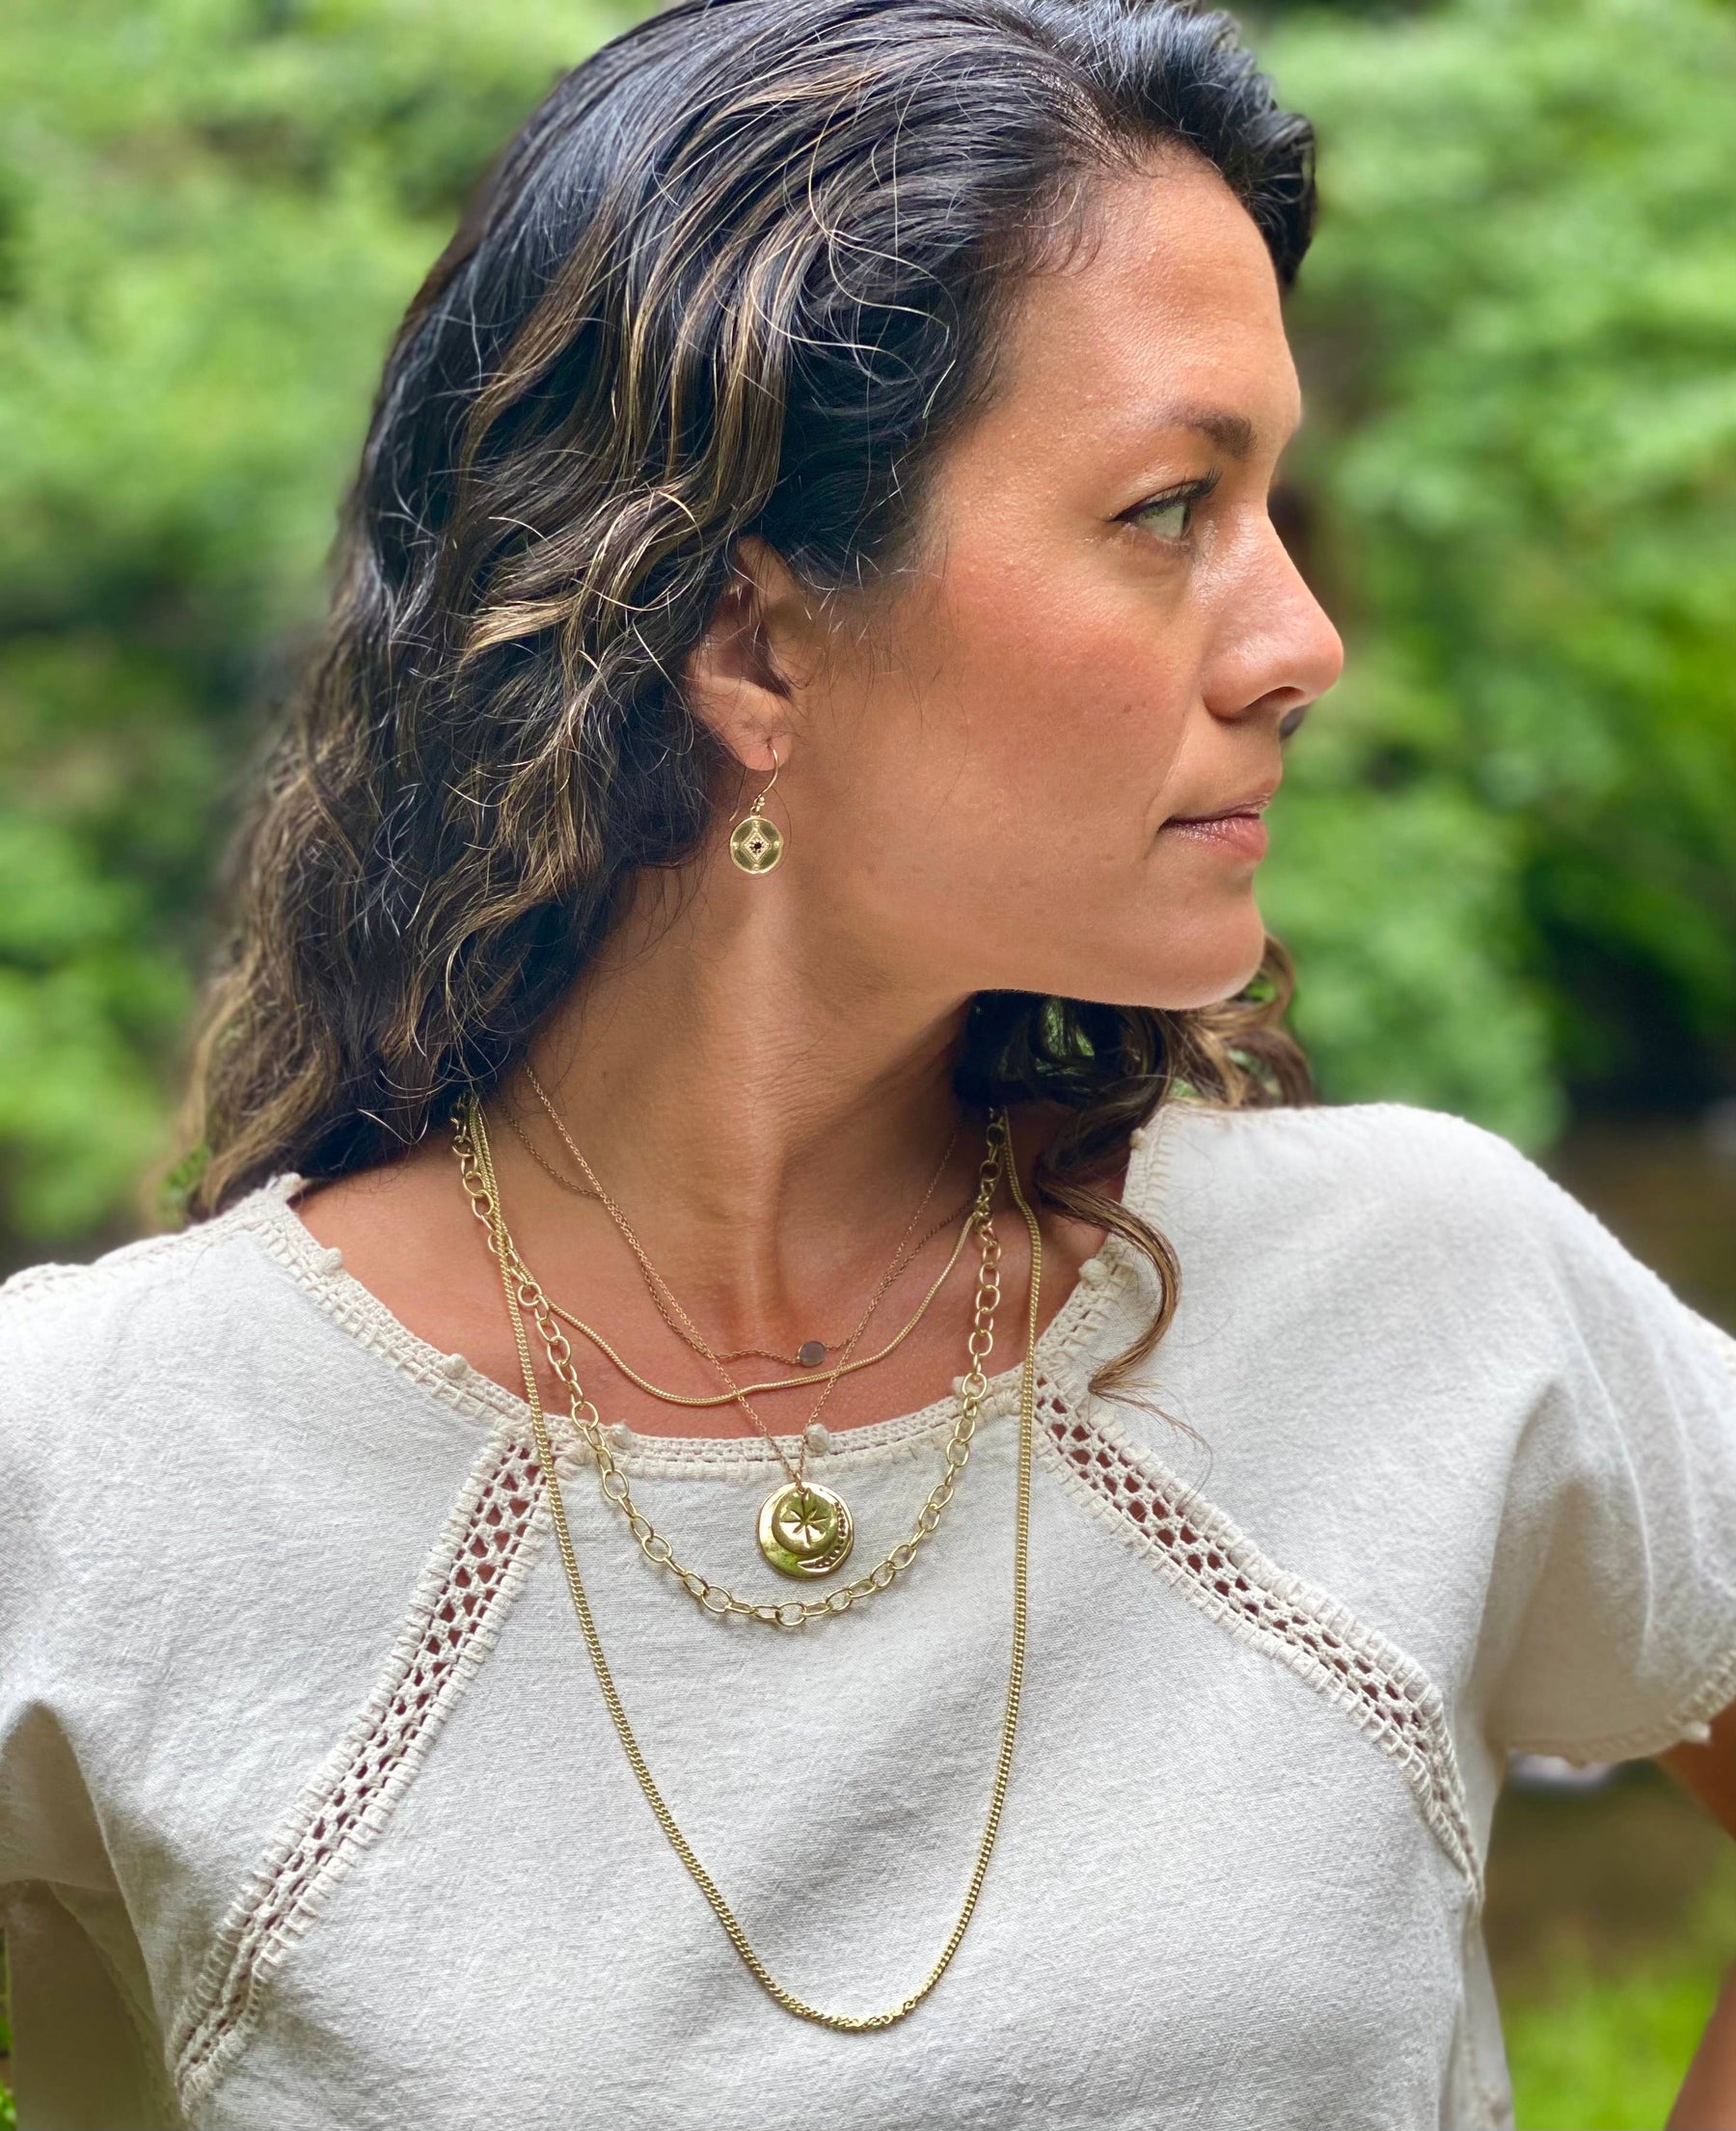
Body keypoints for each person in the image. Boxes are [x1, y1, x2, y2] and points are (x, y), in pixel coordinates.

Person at [3, 1, 1734, 2124]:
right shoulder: (93, 1459)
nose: (1303, 641)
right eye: (1170, 506)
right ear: (754, 644)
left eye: (1271, 501)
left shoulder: (1424, 1289)